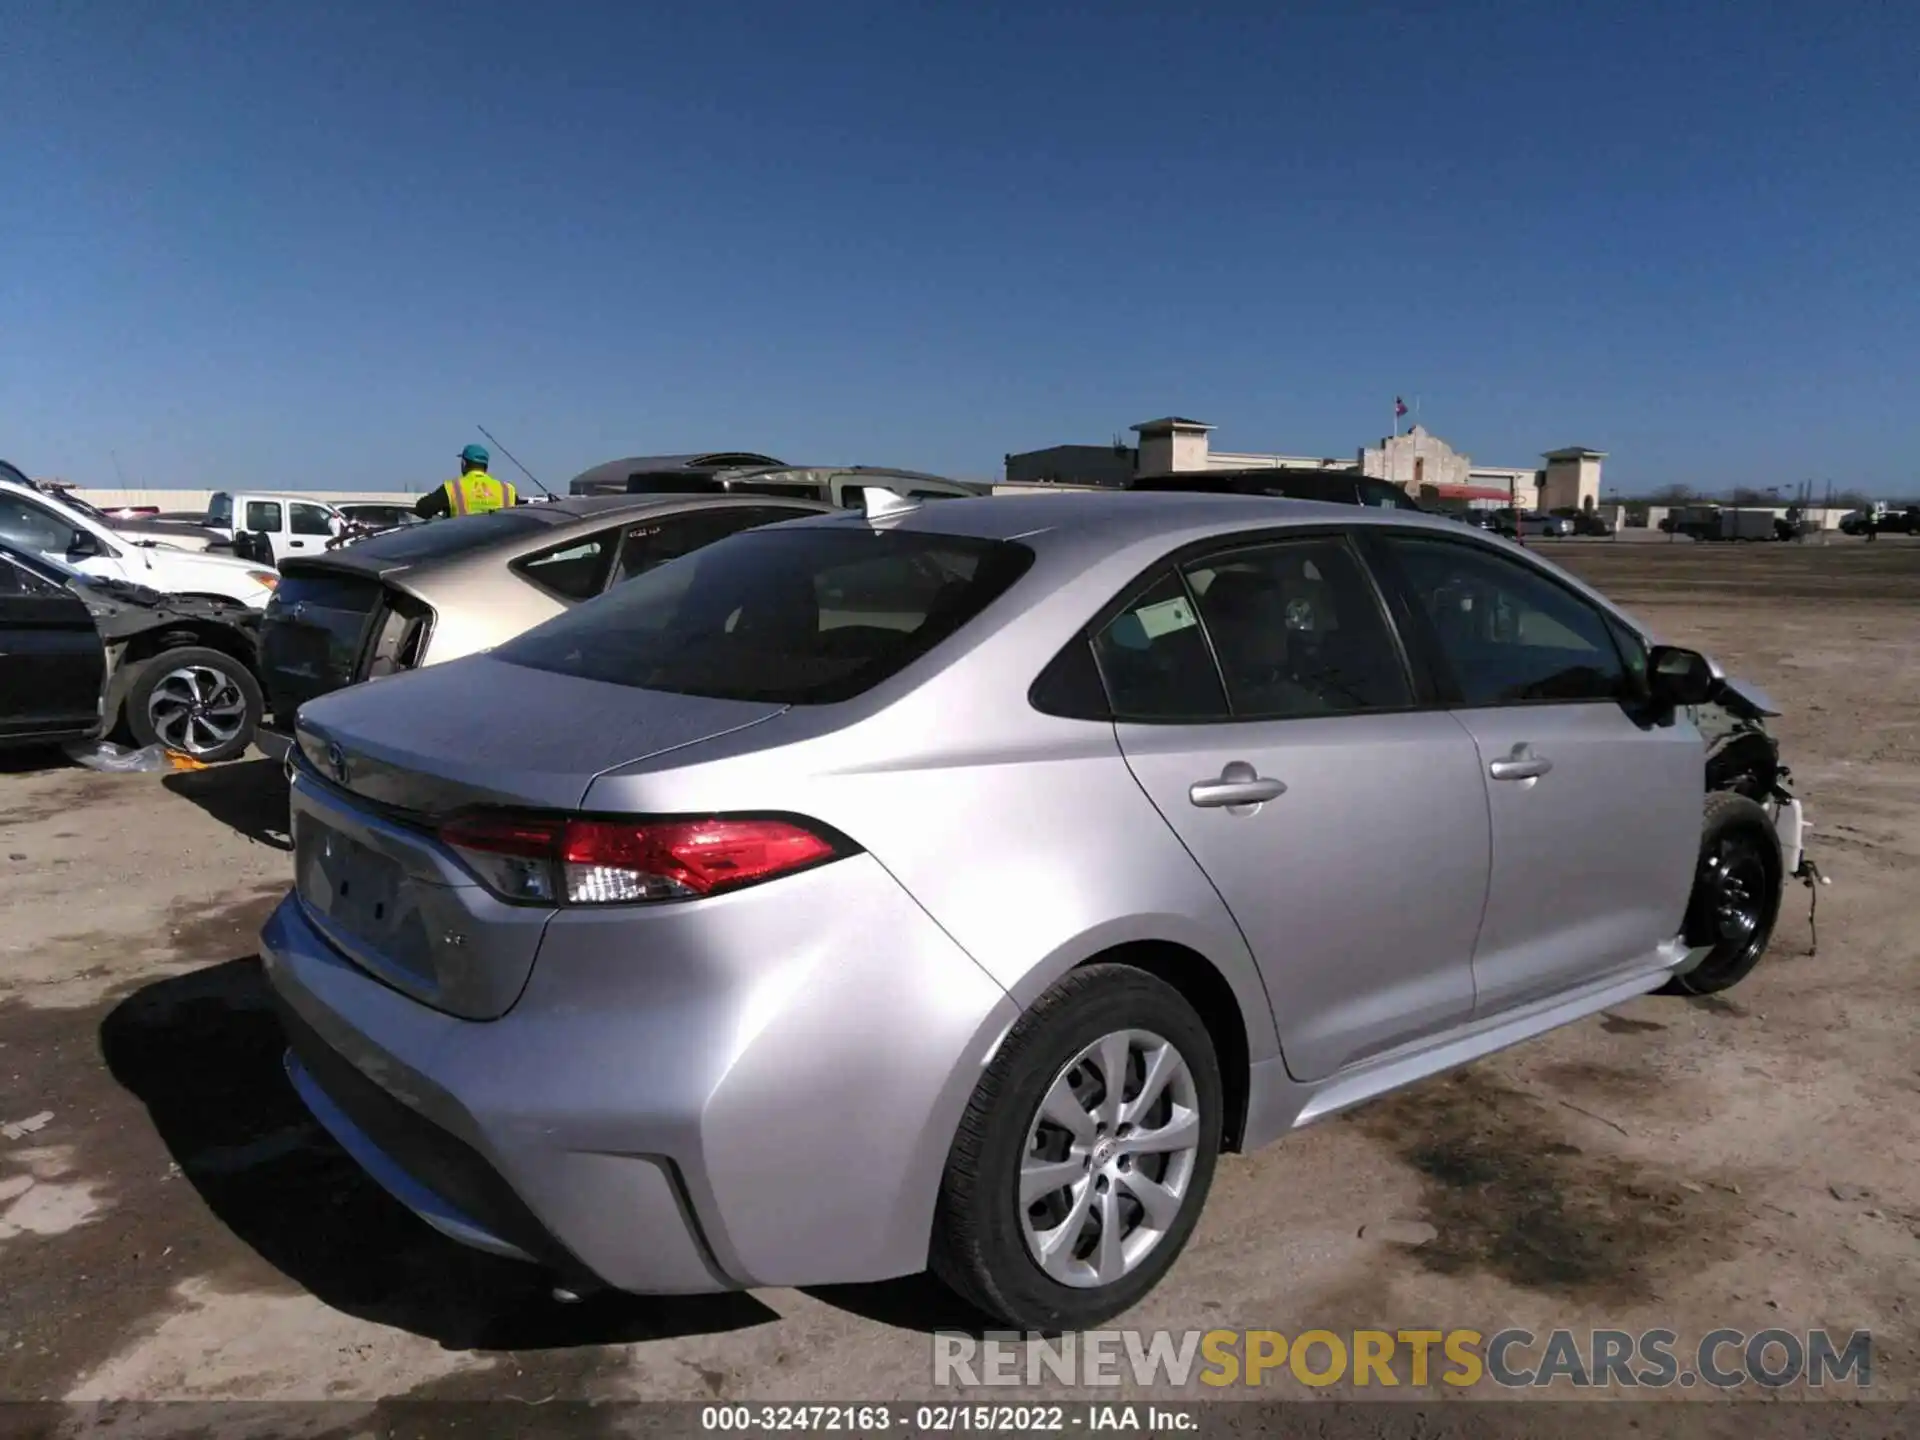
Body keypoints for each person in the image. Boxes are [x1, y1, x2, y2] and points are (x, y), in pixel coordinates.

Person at [415, 444, 517, 519]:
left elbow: (423, 509)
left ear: (463, 463)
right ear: (486, 466)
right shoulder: (507, 490)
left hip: (465, 545)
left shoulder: (453, 488)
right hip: (502, 546)